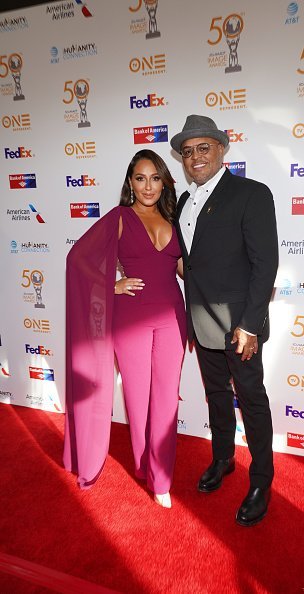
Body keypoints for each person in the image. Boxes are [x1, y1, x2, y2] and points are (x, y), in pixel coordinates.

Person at [170, 115, 278, 526]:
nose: (195, 157)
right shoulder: (183, 201)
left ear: (221, 149)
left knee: (251, 401)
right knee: (216, 395)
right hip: (202, 321)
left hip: (239, 327)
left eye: (203, 148)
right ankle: (222, 459)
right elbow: (190, 261)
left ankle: (261, 481)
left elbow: (265, 264)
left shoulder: (251, 194)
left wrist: (250, 326)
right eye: (187, 151)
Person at [64, 149, 186, 509]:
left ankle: (161, 478)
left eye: (155, 178)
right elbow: (78, 259)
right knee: (138, 400)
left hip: (172, 318)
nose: (148, 186)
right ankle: (143, 465)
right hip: (130, 320)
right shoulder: (120, 217)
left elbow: (182, 269)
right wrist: (110, 285)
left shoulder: (175, 217)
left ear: (164, 181)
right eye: (140, 178)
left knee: (166, 400)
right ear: (130, 183)